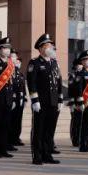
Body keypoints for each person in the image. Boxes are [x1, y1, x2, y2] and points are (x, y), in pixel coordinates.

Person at [27, 33, 64, 165]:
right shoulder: (35, 63)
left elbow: (58, 82)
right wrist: (35, 100)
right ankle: (37, 155)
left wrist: (60, 99)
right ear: (41, 48)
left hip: (53, 102)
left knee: (50, 129)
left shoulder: (54, 63)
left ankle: (47, 154)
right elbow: (32, 82)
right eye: (48, 45)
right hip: (41, 102)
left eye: (51, 45)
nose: (50, 48)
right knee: (39, 129)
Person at [9, 53, 26, 149]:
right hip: (13, 99)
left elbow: (23, 88)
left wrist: (25, 98)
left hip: (20, 100)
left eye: (19, 62)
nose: (18, 63)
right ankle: (11, 139)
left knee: (18, 121)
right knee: (12, 120)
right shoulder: (11, 72)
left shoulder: (20, 74)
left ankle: (16, 138)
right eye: (17, 61)